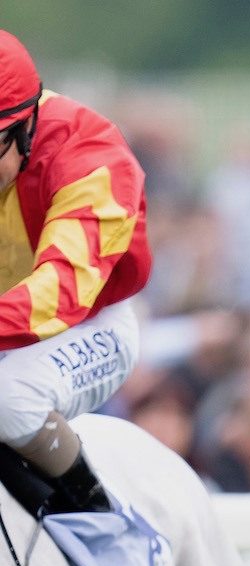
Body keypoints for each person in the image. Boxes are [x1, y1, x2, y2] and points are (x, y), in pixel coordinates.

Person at [0, 29, 150, 513]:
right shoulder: (11, 135)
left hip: (85, 324)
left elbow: (59, 292)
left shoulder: (88, 156)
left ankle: (104, 528)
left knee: (7, 397)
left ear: (25, 127)